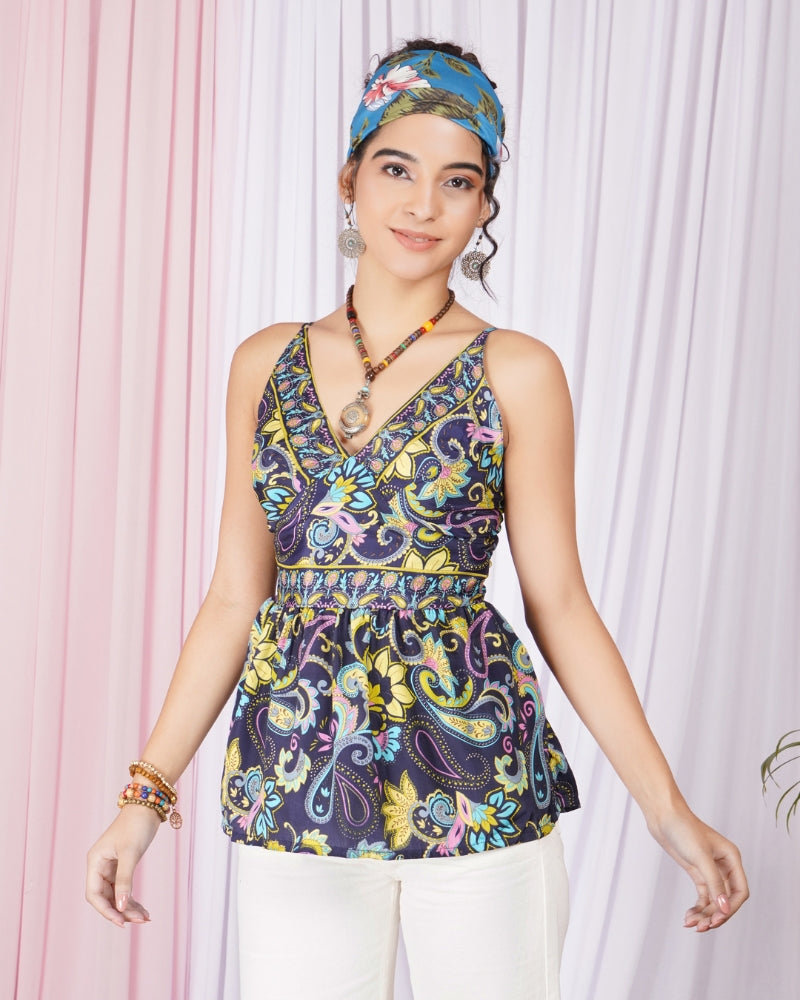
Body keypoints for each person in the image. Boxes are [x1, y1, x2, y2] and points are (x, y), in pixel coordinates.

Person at [86, 39, 748, 1000]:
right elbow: (234, 597)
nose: (423, 205)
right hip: (296, 775)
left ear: (484, 208)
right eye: (397, 169)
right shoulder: (263, 363)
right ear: (350, 178)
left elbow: (561, 604)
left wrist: (666, 808)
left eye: (458, 181)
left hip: (476, 780)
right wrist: (144, 797)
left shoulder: (518, 371)